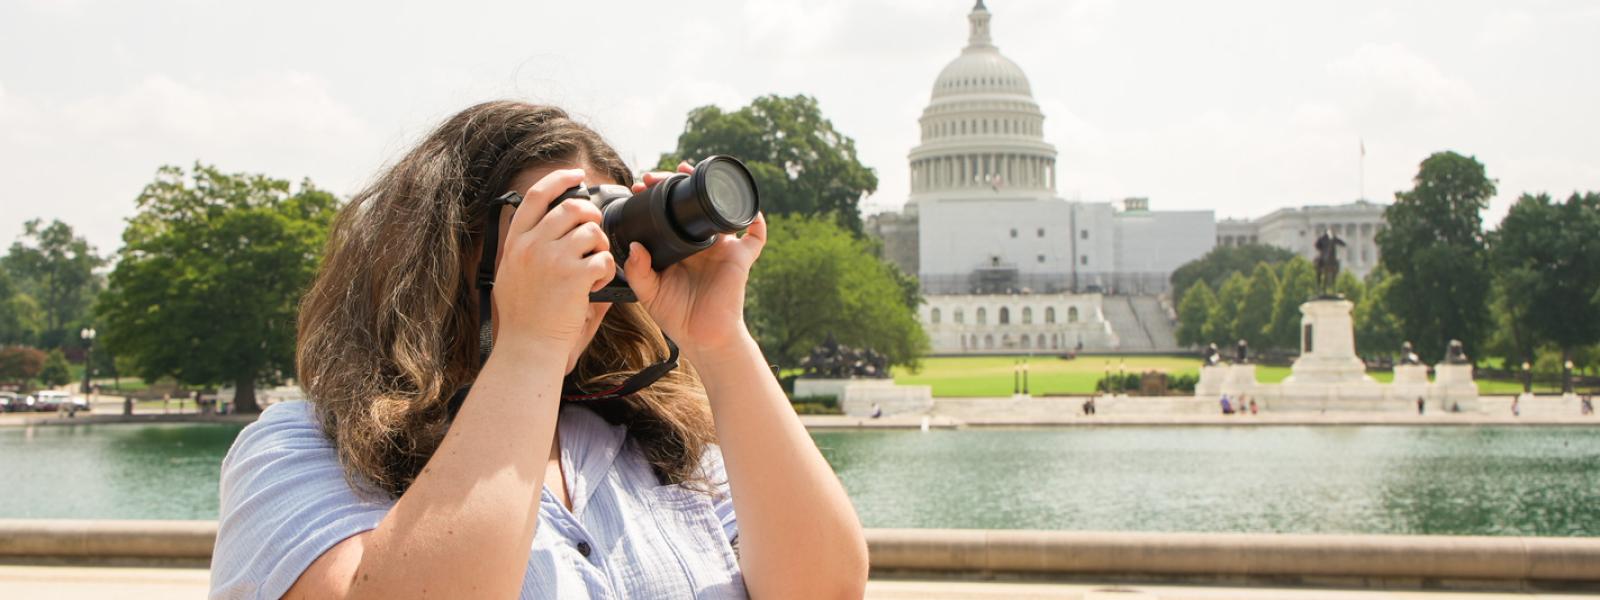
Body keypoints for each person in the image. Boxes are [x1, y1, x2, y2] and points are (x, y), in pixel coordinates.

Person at [208, 102, 868, 599]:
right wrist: (528, 349)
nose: (586, 252)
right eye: (554, 222)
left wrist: (721, 342)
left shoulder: (662, 445)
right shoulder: (301, 449)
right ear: (453, 250)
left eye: (601, 219)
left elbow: (823, 589)